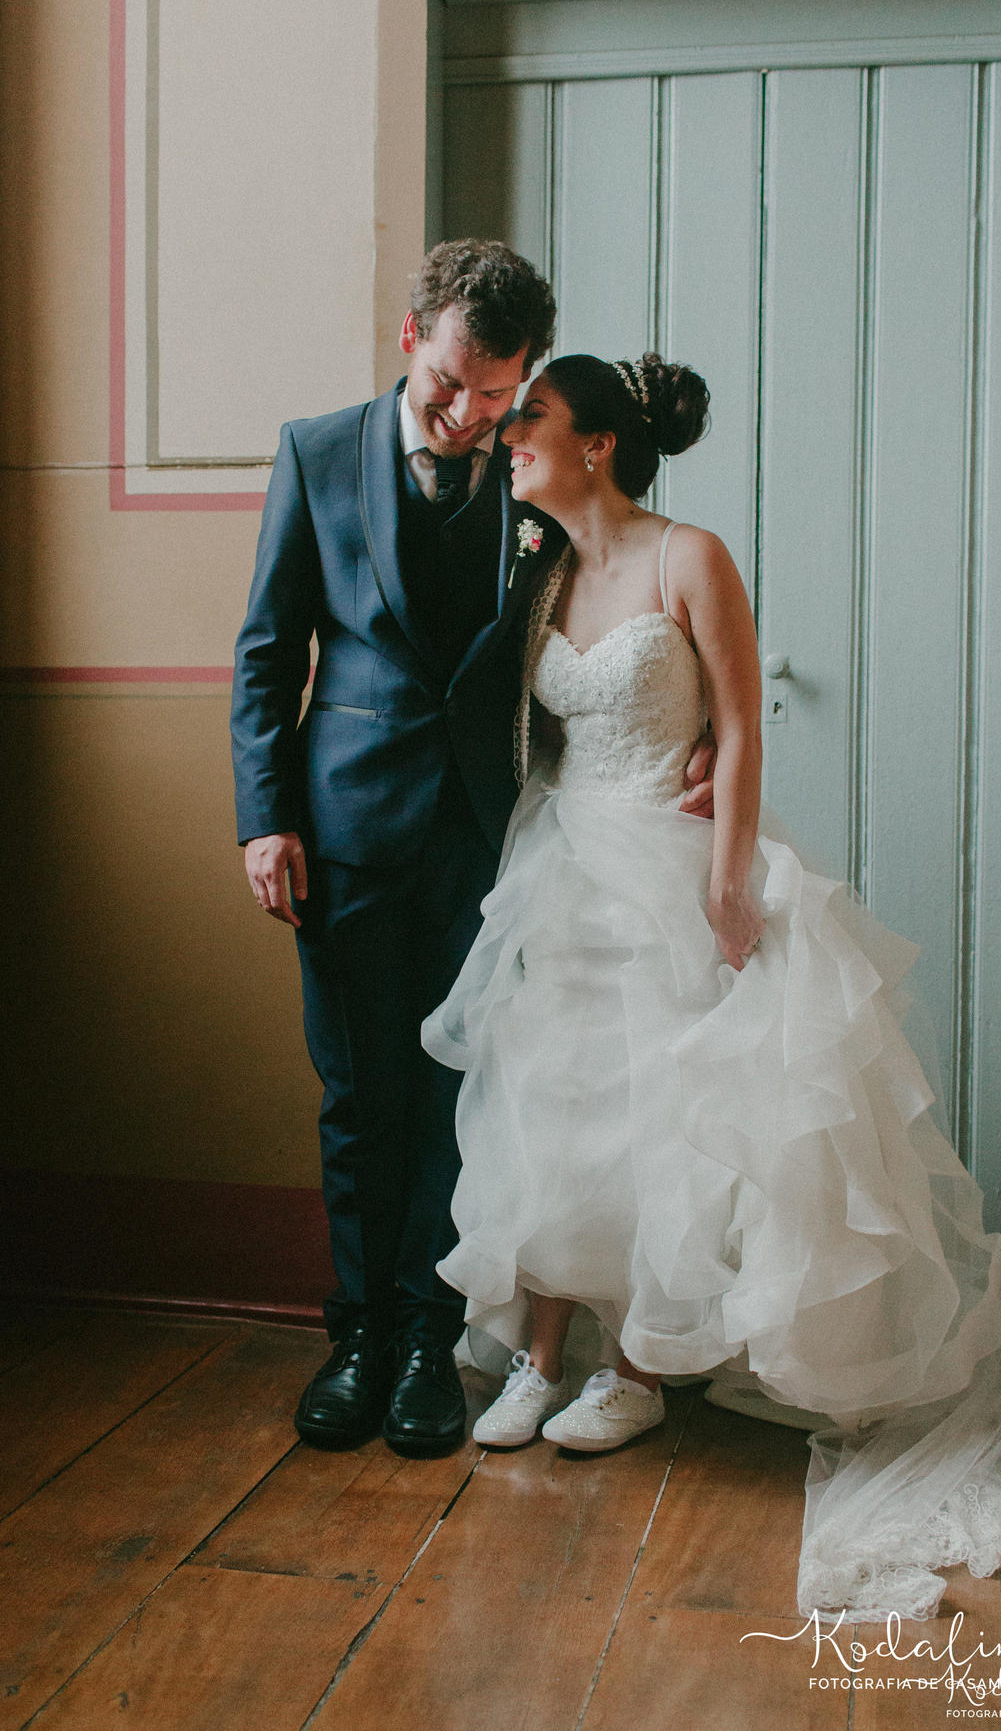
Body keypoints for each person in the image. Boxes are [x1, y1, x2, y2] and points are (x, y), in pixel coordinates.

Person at [421, 351, 1001, 1621]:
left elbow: (744, 724)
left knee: (664, 1116)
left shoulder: (687, 556)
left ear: (598, 443)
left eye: (529, 418)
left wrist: (723, 879)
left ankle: (641, 1372)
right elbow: (519, 716)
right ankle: (542, 1356)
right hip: (562, 859)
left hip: (667, 860)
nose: (510, 438)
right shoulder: (538, 565)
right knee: (546, 1100)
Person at [231, 244, 713, 1459]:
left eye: (498, 394)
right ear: (412, 339)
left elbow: (634, 591)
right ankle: (357, 1339)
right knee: (358, 1095)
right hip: (338, 837)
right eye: (453, 385)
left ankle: (430, 1345)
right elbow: (264, 651)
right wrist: (263, 814)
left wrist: (698, 735)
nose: (470, 416)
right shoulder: (316, 451)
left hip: (491, 846)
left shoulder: (536, 473)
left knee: (466, 1100)